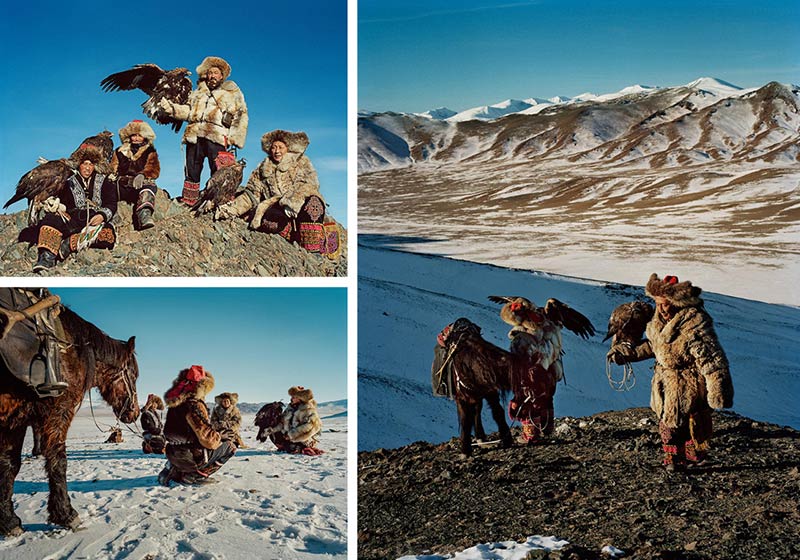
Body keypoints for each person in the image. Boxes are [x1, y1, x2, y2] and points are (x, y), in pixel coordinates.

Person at [608, 274, 734, 471]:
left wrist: (718, 390)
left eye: (664, 304)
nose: (660, 308)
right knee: (668, 423)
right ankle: (675, 459)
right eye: (657, 303)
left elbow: (711, 359)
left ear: (677, 303)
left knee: (688, 425)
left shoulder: (694, 324)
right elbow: (654, 346)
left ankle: (687, 458)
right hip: (665, 382)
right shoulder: (658, 322)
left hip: (690, 383)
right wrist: (628, 354)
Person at [215, 130, 337, 255]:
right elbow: (251, 194)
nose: (277, 151)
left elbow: (311, 184)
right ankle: (294, 234)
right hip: (277, 206)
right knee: (267, 222)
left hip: (300, 203)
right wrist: (230, 210)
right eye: (273, 147)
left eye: (280, 147)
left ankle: (313, 250)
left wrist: (292, 201)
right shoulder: (263, 167)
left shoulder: (301, 161)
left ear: (287, 148)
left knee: (314, 204)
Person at [158, 56, 248, 207]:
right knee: (192, 170)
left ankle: (219, 201)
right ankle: (189, 200)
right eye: (210, 73)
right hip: (195, 135)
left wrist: (235, 138)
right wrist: (171, 109)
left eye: (215, 73)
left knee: (220, 171)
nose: (212, 76)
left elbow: (241, 115)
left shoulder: (232, 92)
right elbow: (188, 111)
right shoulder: (197, 93)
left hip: (217, 136)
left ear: (222, 75)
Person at [31, 144, 117, 272]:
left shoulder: (104, 181)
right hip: (72, 218)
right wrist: (58, 207)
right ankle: (47, 258)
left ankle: (68, 244)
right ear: (78, 164)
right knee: (50, 220)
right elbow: (62, 200)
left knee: (107, 236)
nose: (87, 168)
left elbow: (111, 203)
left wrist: (102, 215)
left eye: (91, 164)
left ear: (95, 166)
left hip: (94, 220)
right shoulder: (68, 181)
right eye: (84, 164)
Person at [158, 365, 236, 485]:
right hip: (191, 455)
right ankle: (195, 475)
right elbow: (208, 440)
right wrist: (219, 438)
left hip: (173, 453)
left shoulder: (176, 404)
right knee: (230, 446)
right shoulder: (194, 405)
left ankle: (175, 470)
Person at [110, 119, 160, 230]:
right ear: (129, 136)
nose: (136, 138)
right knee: (107, 187)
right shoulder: (119, 151)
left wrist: (143, 174)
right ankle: (112, 216)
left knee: (149, 186)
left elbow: (154, 169)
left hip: (139, 185)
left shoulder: (150, 151)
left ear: (145, 136)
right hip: (121, 184)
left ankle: (144, 215)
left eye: (139, 135)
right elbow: (112, 167)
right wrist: (112, 176)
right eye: (134, 135)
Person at [271, 386, 323, 455]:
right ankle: (287, 447)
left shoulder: (308, 410)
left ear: (300, 398)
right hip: (289, 437)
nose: (291, 399)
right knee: (273, 435)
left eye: (294, 397)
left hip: (304, 439)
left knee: (290, 447)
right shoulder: (290, 409)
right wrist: (272, 429)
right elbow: (282, 422)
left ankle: (302, 448)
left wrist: (291, 435)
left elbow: (310, 426)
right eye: (291, 397)